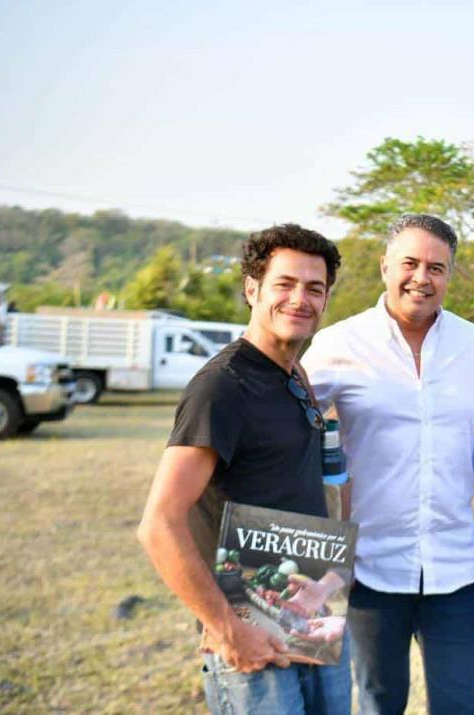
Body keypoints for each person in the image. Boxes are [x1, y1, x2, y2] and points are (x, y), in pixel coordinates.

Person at [137, 224, 350, 715]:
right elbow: (159, 525)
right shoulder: (221, 388)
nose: (300, 299)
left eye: (314, 289)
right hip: (249, 632)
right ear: (252, 289)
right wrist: (229, 630)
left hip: (310, 619)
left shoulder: (295, 374)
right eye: (285, 284)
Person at [301, 213, 474, 715]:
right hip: (370, 571)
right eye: (410, 263)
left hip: (455, 571)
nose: (422, 277)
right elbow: (291, 420)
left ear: (449, 276)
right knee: (378, 703)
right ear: (385, 267)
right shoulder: (339, 343)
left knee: (460, 706)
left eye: (437, 267)